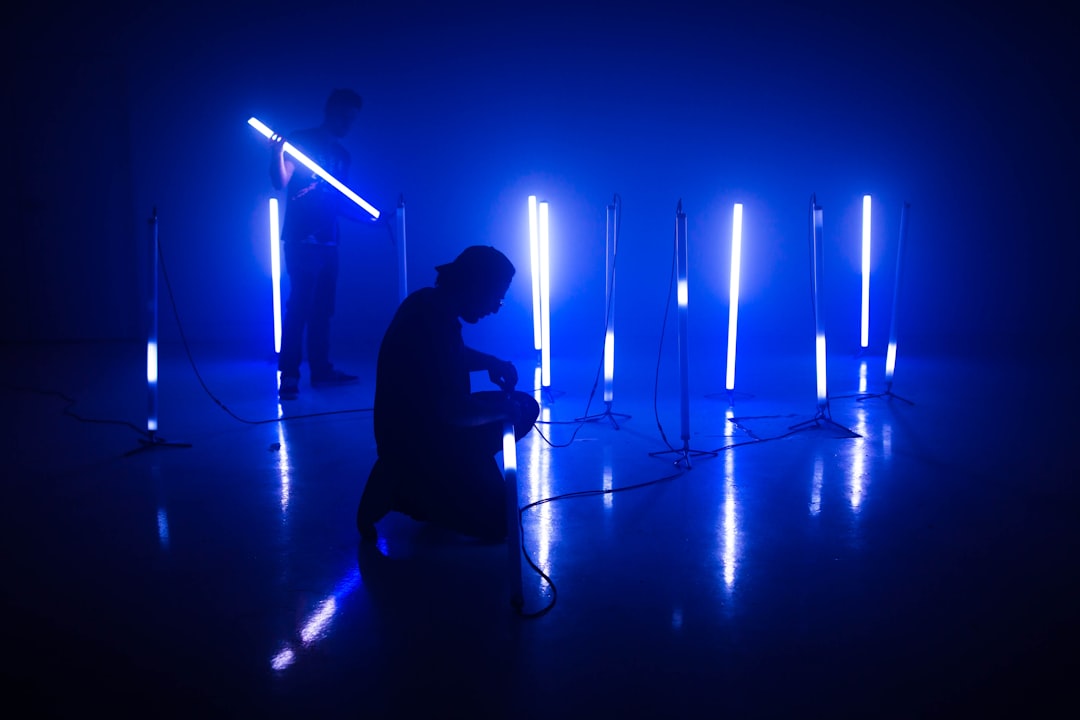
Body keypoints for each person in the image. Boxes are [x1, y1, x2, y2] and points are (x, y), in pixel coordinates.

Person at [356, 245, 540, 543]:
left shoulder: (427, 305)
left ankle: (454, 474)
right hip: (420, 444)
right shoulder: (432, 323)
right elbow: (452, 411)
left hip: (421, 430)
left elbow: (449, 355)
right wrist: (501, 411)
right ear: (475, 286)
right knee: (498, 524)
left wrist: (489, 363)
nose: (495, 307)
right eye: (496, 297)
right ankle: (406, 489)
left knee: (523, 405)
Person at [270, 88, 367, 400]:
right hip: (301, 239)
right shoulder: (301, 140)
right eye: (344, 116)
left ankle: (322, 371)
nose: (348, 124)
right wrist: (277, 152)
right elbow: (279, 181)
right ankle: (290, 376)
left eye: (353, 119)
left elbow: (341, 200)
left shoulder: (342, 155)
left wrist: (373, 219)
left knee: (323, 309)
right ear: (331, 111)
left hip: (329, 242)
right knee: (299, 306)